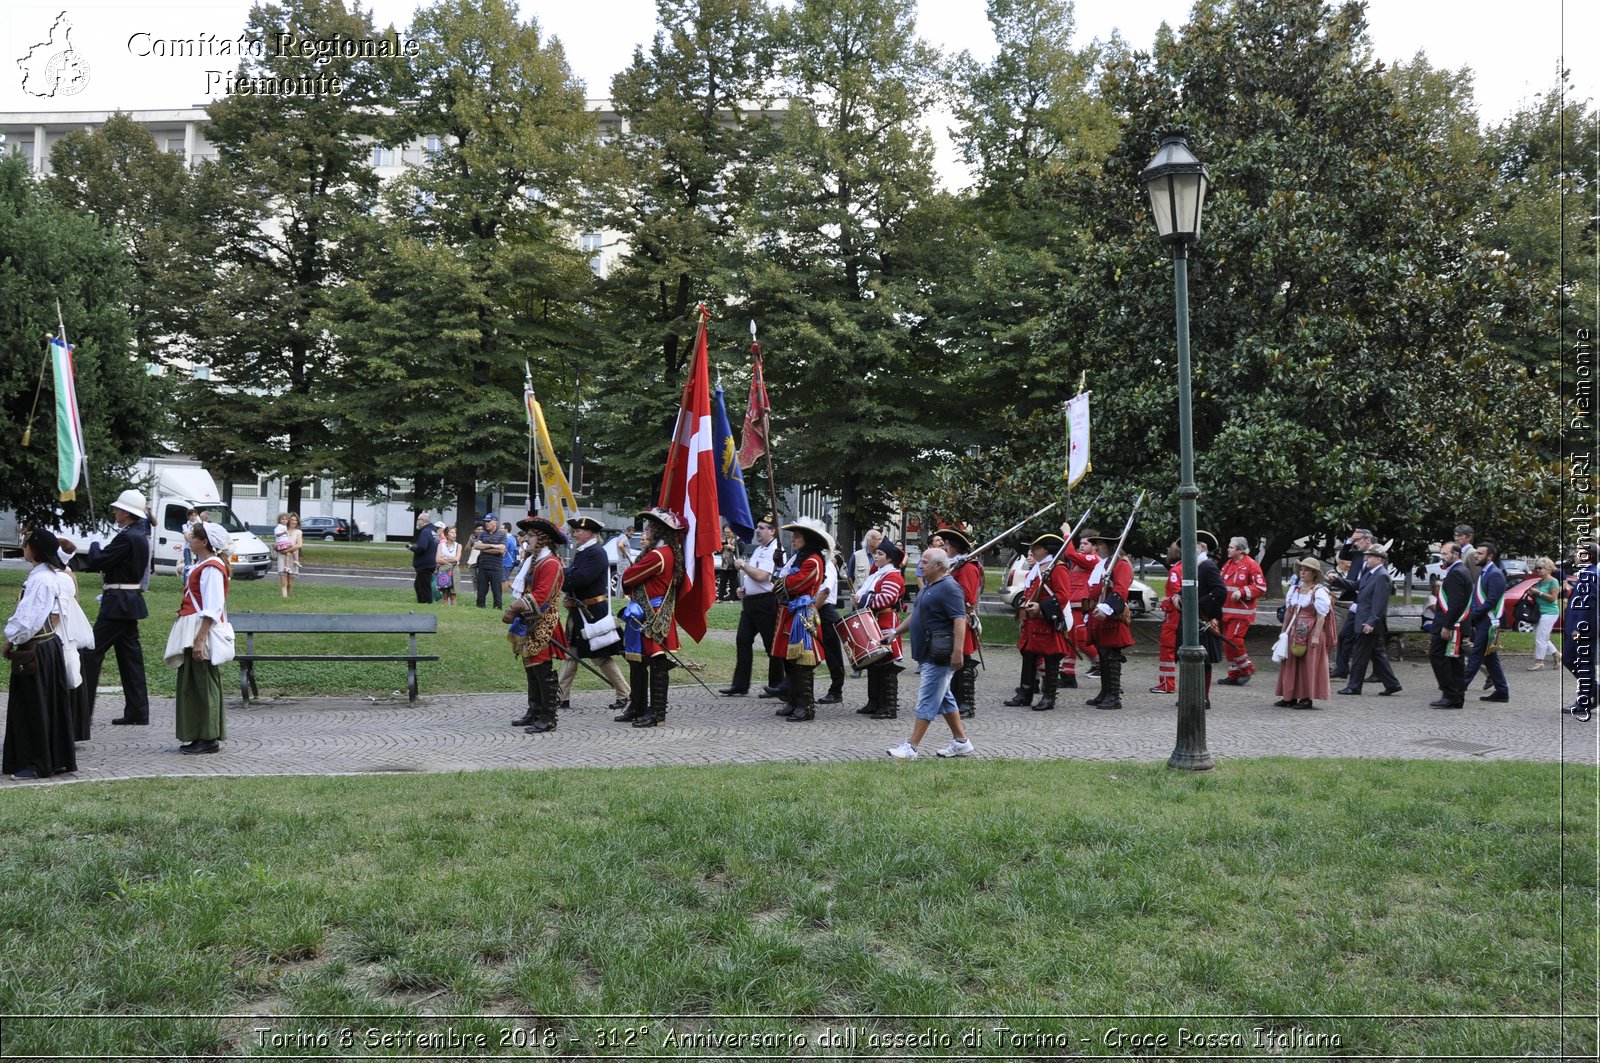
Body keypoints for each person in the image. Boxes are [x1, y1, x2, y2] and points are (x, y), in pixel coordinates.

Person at [885, 547, 975, 760]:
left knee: (927, 700)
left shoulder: (949, 588)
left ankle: (911, 747)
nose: (920, 565)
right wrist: (895, 632)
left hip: (940, 655)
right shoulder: (929, 586)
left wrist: (957, 652)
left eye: (925, 562)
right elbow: (917, 615)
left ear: (939, 566)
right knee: (944, 698)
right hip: (927, 652)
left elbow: (960, 620)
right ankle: (961, 742)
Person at [3, 528, 78, 779]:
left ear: (34, 549)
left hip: (37, 649)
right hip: (49, 648)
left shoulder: (41, 580)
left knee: (32, 707)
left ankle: (36, 763)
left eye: (26, 544)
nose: (23, 547)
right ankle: (53, 758)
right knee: (47, 704)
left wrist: (10, 640)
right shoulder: (48, 576)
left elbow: (27, 620)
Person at [75, 488, 153, 727]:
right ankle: (138, 710)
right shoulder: (138, 533)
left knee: (89, 653)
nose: (115, 511)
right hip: (128, 601)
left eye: (118, 508)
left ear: (128, 513)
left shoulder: (128, 537)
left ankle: (80, 714)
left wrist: (95, 544)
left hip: (118, 602)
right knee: (130, 658)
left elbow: (99, 560)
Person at [557, 516, 631, 717]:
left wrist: (560, 574)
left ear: (589, 533)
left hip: (592, 613)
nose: (574, 535)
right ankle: (561, 696)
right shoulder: (585, 551)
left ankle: (624, 692)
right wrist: (567, 575)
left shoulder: (595, 552)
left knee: (600, 656)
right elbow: (574, 575)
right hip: (579, 611)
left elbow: (580, 578)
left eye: (578, 532)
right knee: (570, 654)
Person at [170, 522, 231, 755]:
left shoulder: (212, 569)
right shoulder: (205, 565)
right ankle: (200, 733)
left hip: (199, 632)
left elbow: (212, 608)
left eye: (193, 536)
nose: (189, 538)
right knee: (194, 684)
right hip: (193, 630)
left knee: (203, 684)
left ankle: (208, 736)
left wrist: (200, 640)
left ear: (204, 542)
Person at [620, 508, 685, 728]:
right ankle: (638, 706)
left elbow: (629, 576)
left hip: (654, 617)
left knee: (658, 664)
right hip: (647, 614)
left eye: (649, 527)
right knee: (639, 661)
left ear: (658, 531)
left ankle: (657, 713)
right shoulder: (661, 552)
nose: (646, 531)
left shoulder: (658, 555)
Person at [503, 515, 568, 734]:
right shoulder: (537, 561)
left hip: (543, 623)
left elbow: (541, 596)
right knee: (531, 669)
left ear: (543, 540)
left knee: (542, 670)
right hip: (531, 621)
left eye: (530, 535)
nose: (526, 539)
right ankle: (535, 711)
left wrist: (514, 609)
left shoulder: (550, 563)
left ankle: (548, 717)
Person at [717, 513, 786, 698]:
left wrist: (743, 565)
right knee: (742, 640)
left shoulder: (776, 551)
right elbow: (753, 577)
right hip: (750, 603)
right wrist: (743, 589)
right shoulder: (758, 550)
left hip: (766, 603)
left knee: (771, 646)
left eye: (762, 528)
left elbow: (763, 576)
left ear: (772, 531)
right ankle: (740, 684)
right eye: (757, 527)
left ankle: (777, 684)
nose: (757, 530)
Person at [771, 517, 830, 722]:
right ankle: (793, 701)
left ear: (808, 539)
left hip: (802, 616)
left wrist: (780, 580)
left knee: (802, 663)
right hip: (789, 613)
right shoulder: (796, 559)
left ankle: (806, 706)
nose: (793, 540)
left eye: (797, 536)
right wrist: (778, 566)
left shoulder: (812, 560)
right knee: (789, 661)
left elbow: (792, 585)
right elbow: (780, 581)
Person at [1067, 531, 1135, 710]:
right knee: (1103, 656)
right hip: (1098, 615)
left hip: (1110, 616)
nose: (1097, 547)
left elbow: (1120, 590)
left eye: (1100, 544)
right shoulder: (1105, 564)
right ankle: (1105, 692)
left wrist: (1107, 608)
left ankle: (1113, 696)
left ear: (1110, 546)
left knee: (1111, 657)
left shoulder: (1120, 564)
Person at [1004, 532, 1072, 711]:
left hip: (1046, 621)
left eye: (1036, 548)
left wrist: (1041, 608)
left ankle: (1049, 697)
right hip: (1032, 623)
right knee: (1028, 656)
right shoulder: (1039, 568)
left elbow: (1062, 596)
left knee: (1051, 659)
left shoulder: (1057, 568)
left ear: (1046, 550)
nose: (1032, 551)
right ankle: (1025, 693)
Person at [929, 525, 983, 717]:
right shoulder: (952, 566)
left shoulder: (967, 567)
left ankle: (965, 703)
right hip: (947, 620)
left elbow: (965, 595)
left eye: (946, 545)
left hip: (960, 618)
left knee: (963, 662)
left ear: (954, 546)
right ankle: (949, 702)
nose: (943, 548)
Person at [1337, 544, 1403, 697]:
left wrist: (1372, 621)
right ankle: (1392, 684)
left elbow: (1379, 603)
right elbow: (1356, 585)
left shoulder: (1382, 576)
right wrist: (1338, 581)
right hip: (1365, 619)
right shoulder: (1370, 573)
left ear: (1379, 559)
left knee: (1360, 655)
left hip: (1368, 622)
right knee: (1377, 654)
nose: (1366, 558)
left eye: (1370, 556)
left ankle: (1354, 686)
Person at [1273, 556, 1337, 709]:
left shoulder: (1319, 592)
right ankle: (1289, 696)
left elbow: (1322, 616)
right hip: (1294, 630)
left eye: (1307, 570)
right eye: (1301, 569)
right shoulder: (1294, 589)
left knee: (1308, 664)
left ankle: (1306, 698)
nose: (1303, 572)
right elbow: (1289, 611)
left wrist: (1315, 636)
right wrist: (1283, 633)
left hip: (1311, 631)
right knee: (1290, 663)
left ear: (1314, 573)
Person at [854, 539, 906, 719]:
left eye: (880, 554)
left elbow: (886, 600)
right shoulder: (877, 574)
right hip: (874, 621)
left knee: (886, 664)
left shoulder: (893, 576)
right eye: (876, 553)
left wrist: (861, 600)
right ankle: (874, 702)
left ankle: (888, 707)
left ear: (890, 559)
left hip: (885, 621)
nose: (876, 556)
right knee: (874, 664)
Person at [1461, 540, 1511, 703]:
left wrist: (1472, 615)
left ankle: (1459, 688)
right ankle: (1502, 691)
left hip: (1489, 622)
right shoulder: (1485, 572)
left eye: (1480, 554)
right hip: (1483, 621)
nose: (1476, 556)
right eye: (1476, 553)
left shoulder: (1495, 574)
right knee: (1490, 657)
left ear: (1490, 556)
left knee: (1476, 655)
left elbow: (1491, 601)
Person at [1427, 542, 1472, 709]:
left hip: (1450, 624)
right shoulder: (1460, 571)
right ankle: (1456, 697)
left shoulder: (1457, 573)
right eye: (1442, 554)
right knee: (1454, 660)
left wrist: (1447, 625)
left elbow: (1455, 603)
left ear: (1456, 554)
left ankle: (1450, 693)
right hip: (1456, 623)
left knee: (1438, 656)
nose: (1443, 557)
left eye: (1446, 554)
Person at [1218, 535, 1267, 685]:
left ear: (1240, 550)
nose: (1228, 549)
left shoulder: (1251, 565)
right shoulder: (1228, 564)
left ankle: (1247, 669)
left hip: (1241, 614)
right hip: (1227, 612)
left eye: (1231, 547)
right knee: (1227, 643)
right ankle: (1234, 673)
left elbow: (1260, 587)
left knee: (1234, 641)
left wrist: (1243, 591)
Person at [1330, 528, 1376, 680]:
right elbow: (1343, 555)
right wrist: (1349, 540)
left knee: (1375, 643)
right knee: (1345, 636)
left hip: (1368, 603)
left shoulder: (1377, 557)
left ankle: (1382, 676)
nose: (1355, 544)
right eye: (1354, 542)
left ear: (1368, 540)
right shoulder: (1357, 554)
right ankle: (1342, 668)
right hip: (1355, 600)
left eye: (1358, 541)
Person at [1562, 542, 1597, 717]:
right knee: (1577, 661)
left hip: (1583, 628)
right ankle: (1594, 690)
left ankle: (1584, 700)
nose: (1576, 555)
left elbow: (1589, 604)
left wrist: (1579, 627)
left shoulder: (1591, 575)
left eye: (1579, 552)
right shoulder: (1587, 573)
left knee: (1579, 662)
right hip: (1580, 626)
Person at [816, 545, 848, 705]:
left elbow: (825, 591)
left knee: (832, 654)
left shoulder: (827, 564)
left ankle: (836, 690)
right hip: (815, 608)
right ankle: (791, 685)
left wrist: (811, 610)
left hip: (825, 610)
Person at [1151, 541, 1182, 694]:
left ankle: (1166, 684)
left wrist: (1166, 603)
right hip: (1181, 617)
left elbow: (1177, 595)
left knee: (1167, 649)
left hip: (1174, 617)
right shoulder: (1189, 568)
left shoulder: (1176, 570)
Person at [1527, 557, 1561, 670]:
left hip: (1550, 612)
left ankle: (1539, 662)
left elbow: (1552, 598)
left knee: (1540, 637)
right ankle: (1556, 654)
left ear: (1548, 569)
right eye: (1536, 568)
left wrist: (1539, 592)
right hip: (1539, 612)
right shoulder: (1540, 582)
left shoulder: (1553, 581)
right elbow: (1536, 595)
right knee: (1541, 636)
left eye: (1540, 568)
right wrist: (1531, 593)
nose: (1538, 571)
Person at [470, 514, 509, 609]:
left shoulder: (502, 534)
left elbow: (501, 550)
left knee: (497, 591)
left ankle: (497, 608)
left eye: (489, 521)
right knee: (481, 591)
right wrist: (493, 546)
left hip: (496, 567)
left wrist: (484, 548)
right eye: (485, 521)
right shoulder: (482, 534)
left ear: (495, 522)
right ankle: (480, 607)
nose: (486, 523)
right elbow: (476, 546)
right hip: (483, 566)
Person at [409, 512, 439, 605]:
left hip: (424, 564)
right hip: (431, 562)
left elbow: (422, 547)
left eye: (418, 519)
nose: (417, 521)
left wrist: (411, 548)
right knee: (418, 585)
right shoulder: (433, 531)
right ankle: (422, 603)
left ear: (423, 521)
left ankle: (425, 604)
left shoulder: (425, 532)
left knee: (424, 587)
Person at [276, 512, 302, 599]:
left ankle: (288, 597)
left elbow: (299, 545)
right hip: (282, 556)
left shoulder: (298, 532)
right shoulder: (282, 529)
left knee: (290, 583)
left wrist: (287, 551)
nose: (293, 522)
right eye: (291, 520)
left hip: (293, 557)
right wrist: (277, 548)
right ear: (288, 520)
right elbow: (277, 541)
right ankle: (284, 598)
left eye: (295, 520)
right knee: (284, 582)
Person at [435, 524, 460, 606]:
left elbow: (456, 559)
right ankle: (445, 609)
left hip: (454, 570)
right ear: (446, 534)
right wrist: (449, 562)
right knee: (445, 593)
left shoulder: (458, 546)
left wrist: (444, 559)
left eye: (455, 532)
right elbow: (438, 559)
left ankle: (453, 611)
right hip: (443, 570)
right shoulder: (441, 545)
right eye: (452, 532)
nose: (454, 534)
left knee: (453, 594)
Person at [717, 525, 740, 602]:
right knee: (722, 582)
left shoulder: (737, 540)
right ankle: (720, 598)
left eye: (728, 532)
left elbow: (741, 551)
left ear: (732, 532)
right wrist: (720, 547)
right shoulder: (722, 539)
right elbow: (718, 551)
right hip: (724, 564)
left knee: (732, 582)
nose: (727, 534)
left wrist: (732, 548)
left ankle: (732, 598)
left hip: (733, 565)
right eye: (725, 532)